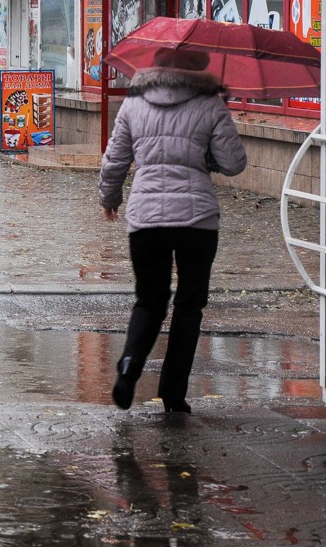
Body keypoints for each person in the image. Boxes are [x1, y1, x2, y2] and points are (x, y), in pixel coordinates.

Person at [99, 48, 247, 414]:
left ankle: (131, 363)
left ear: (157, 68)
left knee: (149, 300)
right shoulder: (210, 104)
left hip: (146, 218)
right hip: (197, 222)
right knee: (189, 306)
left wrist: (109, 197)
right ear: (198, 72)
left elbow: (115, 158)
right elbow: (234, 164)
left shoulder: (134, 103)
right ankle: (173, 394)